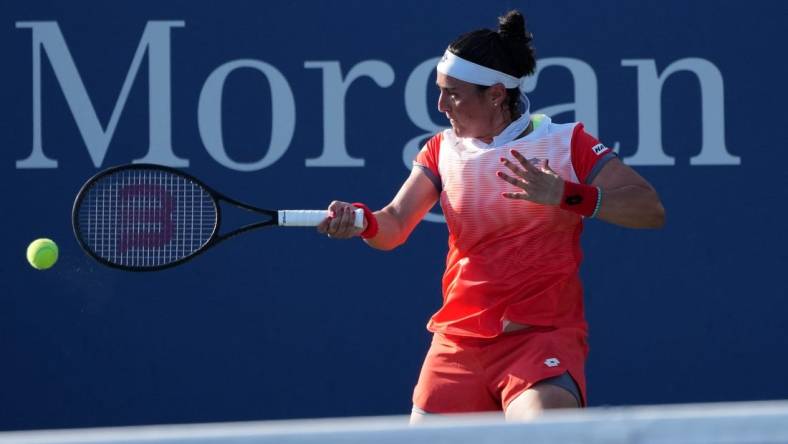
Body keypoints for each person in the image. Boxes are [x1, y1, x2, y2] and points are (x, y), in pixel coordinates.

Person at [317, 10, 665, 422]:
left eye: (454, 93)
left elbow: (649, 209)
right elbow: (393, 223)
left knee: (544, 433)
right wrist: (360, 220)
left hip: (540, 342)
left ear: (497, 94)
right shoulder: (440, 150)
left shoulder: (565, 142)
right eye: (440, 91)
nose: (440, 104)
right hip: (457, 346)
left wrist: (567, 195)